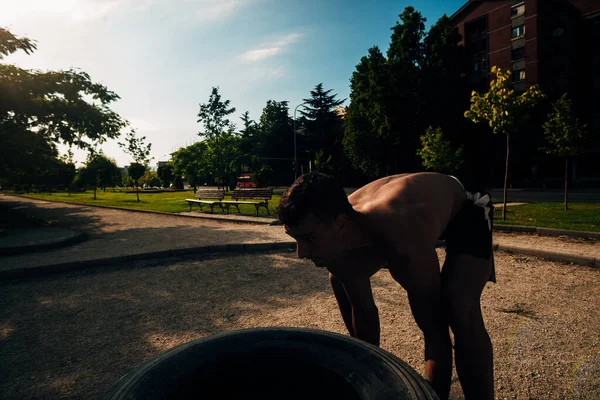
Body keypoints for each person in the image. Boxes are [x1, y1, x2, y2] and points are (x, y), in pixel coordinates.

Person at [276, 171, 495, 400]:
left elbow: (435, 335)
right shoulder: (337, 231)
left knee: (458, 305)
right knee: (338, 282)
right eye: (296, 239)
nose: (301, 253)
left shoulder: (404, 238)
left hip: (466, 204)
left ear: (340, 224)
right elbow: (363, 314)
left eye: (309, 239)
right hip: (393, 213)